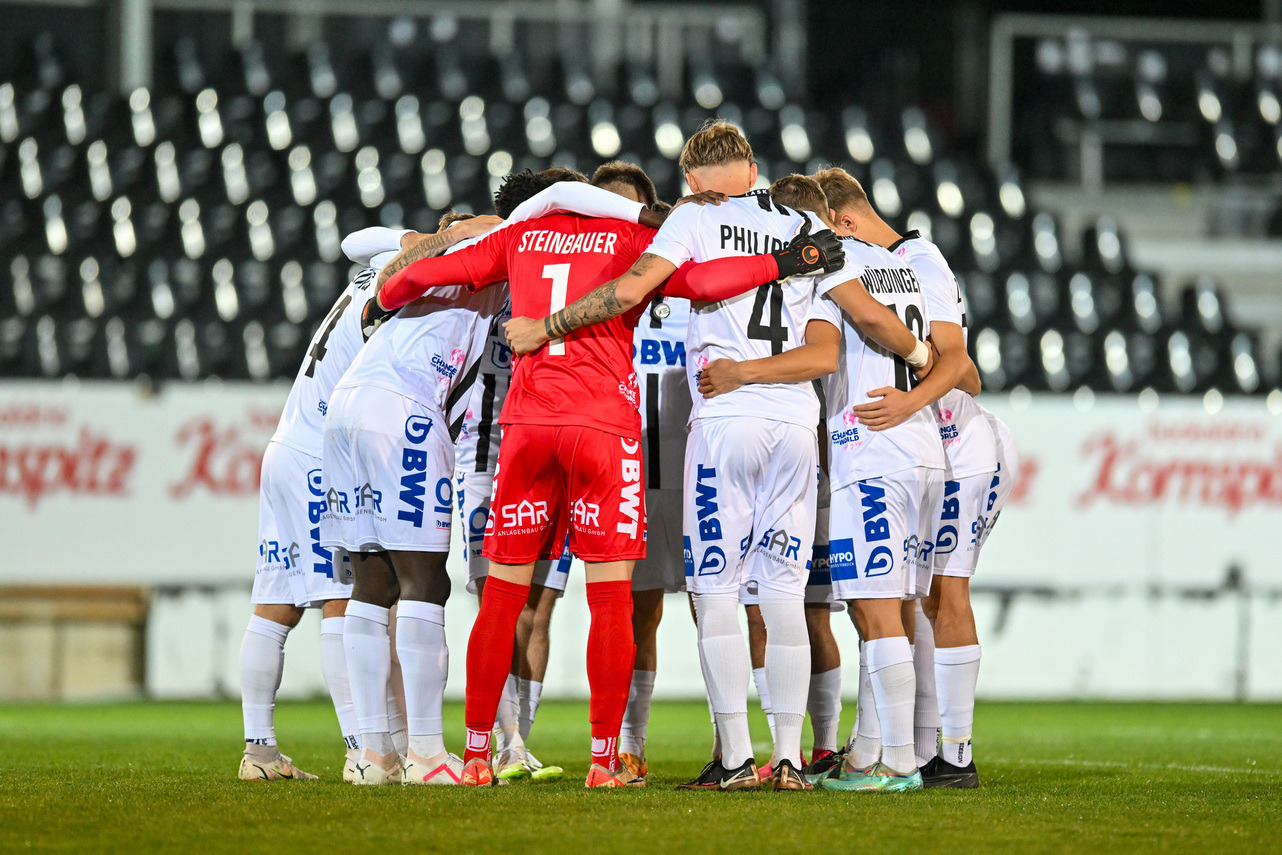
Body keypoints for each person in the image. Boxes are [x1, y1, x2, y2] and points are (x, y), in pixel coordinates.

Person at [372, 164, 842, 788]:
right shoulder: (631, 241)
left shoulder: (520, 237)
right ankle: (603, 762)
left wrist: (387, 295)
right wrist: (781, 264)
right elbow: (702, 283)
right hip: (604, 429)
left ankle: (480, 755)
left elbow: (419, 277)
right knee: (611, 600)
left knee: (504, 595)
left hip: (527, 427)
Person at [503, 122, 875, 792]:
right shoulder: (800, 224)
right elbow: (836, 337)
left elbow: (627, 290)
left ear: (693, 180)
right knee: (785, 597)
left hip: (725, 420)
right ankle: (787, 756)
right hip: (796, 422)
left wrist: (547, 324)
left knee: (717, 591)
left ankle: (735, 756)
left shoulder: (695, 219)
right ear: (752, 166)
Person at [237, 223, 487, 782]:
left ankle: (261, 751)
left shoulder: (374, 271)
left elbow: (352, 241)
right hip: (324, 447)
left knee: (275, 604)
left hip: (288, 442)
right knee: (345, 599)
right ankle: (364, 748)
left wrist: (414, 237)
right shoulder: (429, 285)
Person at [813, 167, 1014, 787]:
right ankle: (903, 747)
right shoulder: (895, 264)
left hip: (956, 447)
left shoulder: (918, 258)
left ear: (842, 222)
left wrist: (908, 397)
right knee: (905, 601)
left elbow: (966, 371)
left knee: (936, 597)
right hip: (928, 449)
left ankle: (949, 756)